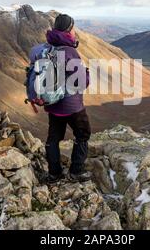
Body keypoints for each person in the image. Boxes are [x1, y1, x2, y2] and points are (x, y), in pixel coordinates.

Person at [44, 14, 91, 183]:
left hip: (53, 104)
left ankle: (54, 173)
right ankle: (76, 171)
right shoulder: (69, 51)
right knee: (83, 134)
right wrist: (86, 73)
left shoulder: (49, 48)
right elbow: (82, 82)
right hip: (72, 106)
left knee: (53, 138)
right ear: (69, 29)